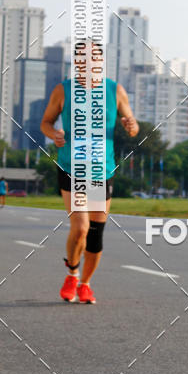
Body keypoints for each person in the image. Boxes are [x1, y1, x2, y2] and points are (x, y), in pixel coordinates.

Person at [40, 40, 139, 304]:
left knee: (96, 231)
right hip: (71, 166)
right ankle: (72, 272)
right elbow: (45, 123)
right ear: (76, 63)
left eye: (93, 57)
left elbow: (133, 125)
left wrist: (131, 125)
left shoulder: (114, 90)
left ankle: (85, 283)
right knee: (81, 228)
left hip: (102, 169)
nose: (88, 62)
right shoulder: (63, 90)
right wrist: (55, 134)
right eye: (82, 57)